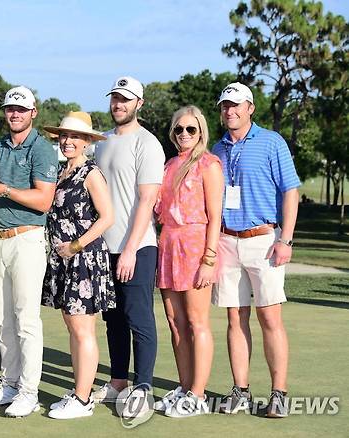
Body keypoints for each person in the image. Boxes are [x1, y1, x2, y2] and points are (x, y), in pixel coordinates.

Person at [211, 82, 300, 418]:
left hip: (264, 239)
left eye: (235, 105)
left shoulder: (271, 142)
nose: (229, 111)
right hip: (226, 240)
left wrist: (286, 239)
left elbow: (290, 191)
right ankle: (240, 390)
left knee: (269, 317)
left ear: (250, 108)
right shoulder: (216, 150)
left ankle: (279, 393)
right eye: (224, 106)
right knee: (235, 317)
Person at [0, 86, 58, 417]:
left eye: (21, 110)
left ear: (33, 113)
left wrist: (3, 189)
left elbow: (43, 200)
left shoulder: (43, 150)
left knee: (26, 319)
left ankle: (28, 391)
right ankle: (8, 384)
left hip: (28, 239)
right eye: (10, 109)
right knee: (0, 318)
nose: (15, 114)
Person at [92, 76, 165, 419]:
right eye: (115, 99)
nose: (118, 104)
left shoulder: (147, 143)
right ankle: (118, 381)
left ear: (139, 103)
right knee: (113, 319)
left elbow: (148, 199)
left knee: (139, 318)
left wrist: (131, 249)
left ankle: (144, 386)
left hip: (137, 246)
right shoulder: (101, 142)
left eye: (125, 99)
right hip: (103, 247)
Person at [40, 112, 115, 420]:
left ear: (86, 142)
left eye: (75, 137)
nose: (68, 141)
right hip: (62, 259)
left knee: (83, 328)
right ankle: (79, 391)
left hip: (83, 257)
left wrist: (75, 245)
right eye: (64, 136)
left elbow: (107, 216)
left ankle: (83, 400)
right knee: (73, 326)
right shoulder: (61, 171)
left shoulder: (90, 172)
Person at [153, 106, 223, 417]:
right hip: (168, 243)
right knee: (175, 322)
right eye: (179, 129)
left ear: (201, 132)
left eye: (191, 130)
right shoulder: (168, 165)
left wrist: (209, 258)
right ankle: (184, 387)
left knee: (197, 321)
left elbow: (215, 217)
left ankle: (198, 394)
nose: (184, 134)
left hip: (196, 247)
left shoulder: (209, 165)